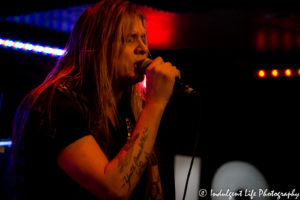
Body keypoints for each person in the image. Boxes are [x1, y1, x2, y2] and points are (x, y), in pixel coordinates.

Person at [9, 0, 180, 199]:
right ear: (100, 46)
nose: (143, 49)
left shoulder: (131, 109)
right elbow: (112, 189)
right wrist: (156, 103)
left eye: (143, 38)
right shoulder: (57, 103)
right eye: (130, 39)